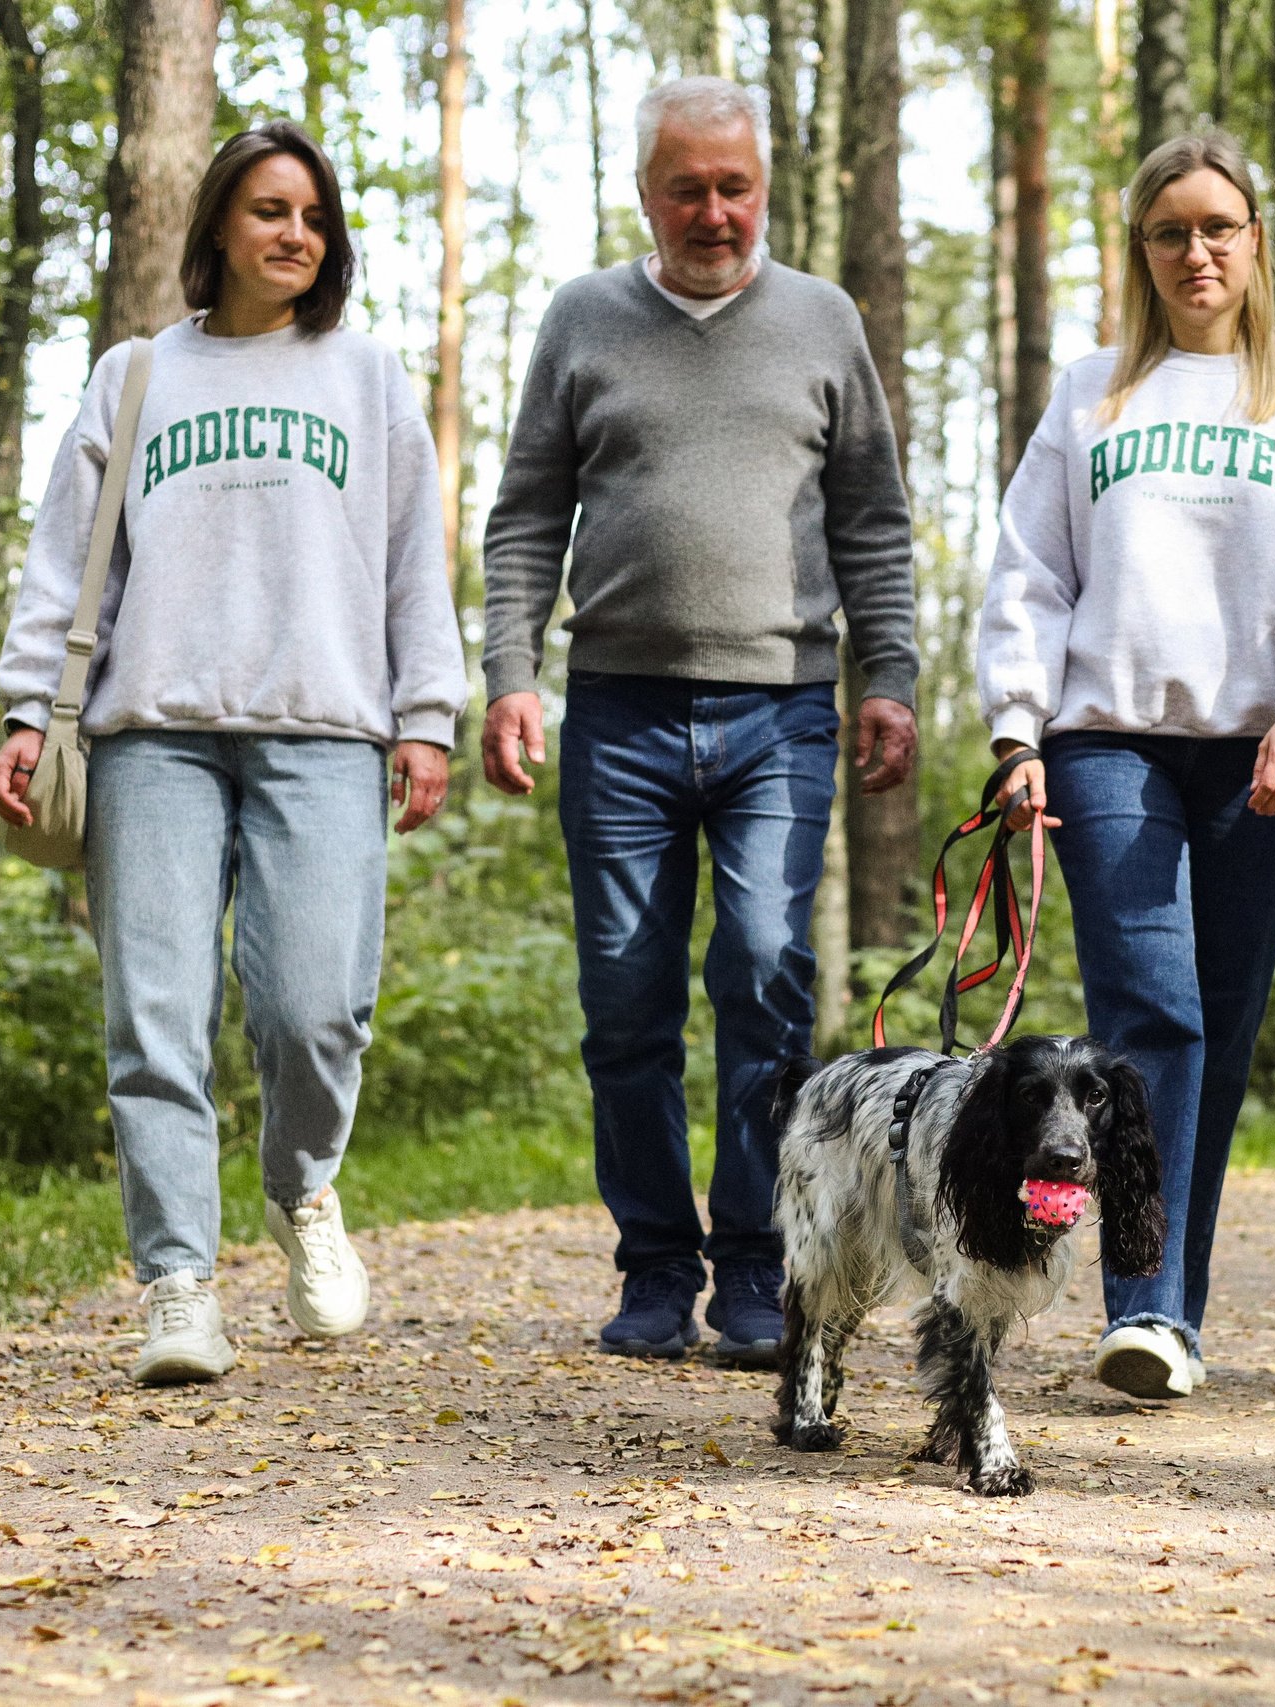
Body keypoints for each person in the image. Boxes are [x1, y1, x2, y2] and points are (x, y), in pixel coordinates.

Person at [0, 123, 467, 1385]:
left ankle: (302, 1188)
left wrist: (429, 716)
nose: (293, 235)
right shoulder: (137, 374)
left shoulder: (365, 377)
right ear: (216, 228)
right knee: (155, 1019)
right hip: (153, 731)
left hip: (325, 727)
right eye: (267, 210)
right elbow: (63, 561)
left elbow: (417, 563)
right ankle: (177, 1283)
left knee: (317, 1011)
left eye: (312, 214)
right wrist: (28, 709)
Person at [481, 77, 918, 1369]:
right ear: (646, 192)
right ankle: (656, 1267)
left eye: (736, 187)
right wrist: (511, 668)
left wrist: (885, 674)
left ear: (763, 185)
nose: (716, 212)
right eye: (690, 188)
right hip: (616, 706)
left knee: (771, 976)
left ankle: (759, 1268)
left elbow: (874, 524)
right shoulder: (583, 319)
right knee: (626, 999)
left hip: (781, 706)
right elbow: (523, 516)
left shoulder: (822, 323)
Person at [976, 131, 1275, 1401]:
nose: (1195, 250)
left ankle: (1176, 1311)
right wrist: (1015, 730)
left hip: (1265, 749)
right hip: (1109, 741)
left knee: (1226, 1025)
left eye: (1218, 226)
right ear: (1139, 252)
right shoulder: (1092, 393)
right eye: (1167, 232)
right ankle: (1143, 1306)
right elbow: (1031, 571)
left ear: (1256, 240)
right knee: (1156, 1015)